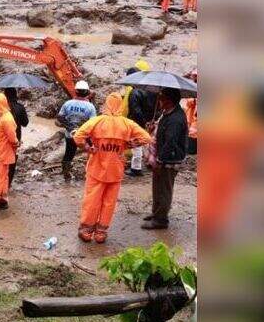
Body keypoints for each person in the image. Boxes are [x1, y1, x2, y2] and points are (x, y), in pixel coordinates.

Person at [73, 93, 153, 243]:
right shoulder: (127, 124)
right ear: (120, 105)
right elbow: (147, 138)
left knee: (92, 199)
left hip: (97, 167)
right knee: (109, 202)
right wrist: (129, 144)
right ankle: (101, 233)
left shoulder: (97, 121)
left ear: (106, 104)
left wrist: (88, 148)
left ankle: (86, 230)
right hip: (116, 169)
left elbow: (78, 137)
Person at [143, 87, 189, 229]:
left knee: (164, 188)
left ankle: (161, 220)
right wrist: (153, 128)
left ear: (168, 100)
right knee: (157, 186)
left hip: (169, 159)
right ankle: (156, 213)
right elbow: (162, 132)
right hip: (163, 156)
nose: (159, 100)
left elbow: (170, 142)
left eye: (162, 97)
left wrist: (159, 159)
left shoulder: (176, 119)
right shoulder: (167, 113)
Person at [56, 80, 97, 182]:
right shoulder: (90, 107)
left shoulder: (68, 103)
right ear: (87, 92)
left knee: (68, 154)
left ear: (76, 91)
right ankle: (89, 174)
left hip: (70, 134)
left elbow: (60, 118)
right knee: (91, 153)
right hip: (85, 136)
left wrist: (69, 126)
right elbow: (93, 124)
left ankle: (66, 176)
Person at [123, 60, 155, 176]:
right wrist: (149, 121)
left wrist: (141, 122)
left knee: (136, 146)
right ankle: (150, 162)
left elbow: (135, 110)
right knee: (148, 142)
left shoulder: (134, 93)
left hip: (137, 123)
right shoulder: (151, 90)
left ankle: (136, 169)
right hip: (150, 121)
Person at [2, 87, 29, 185]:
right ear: (15, 95)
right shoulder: (20, 107)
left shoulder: (0, 109)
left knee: (2, 162)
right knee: (12, 161)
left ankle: (1, 182)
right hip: (15, 139)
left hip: (1, 139)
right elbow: (25, 123)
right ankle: (8, 184)